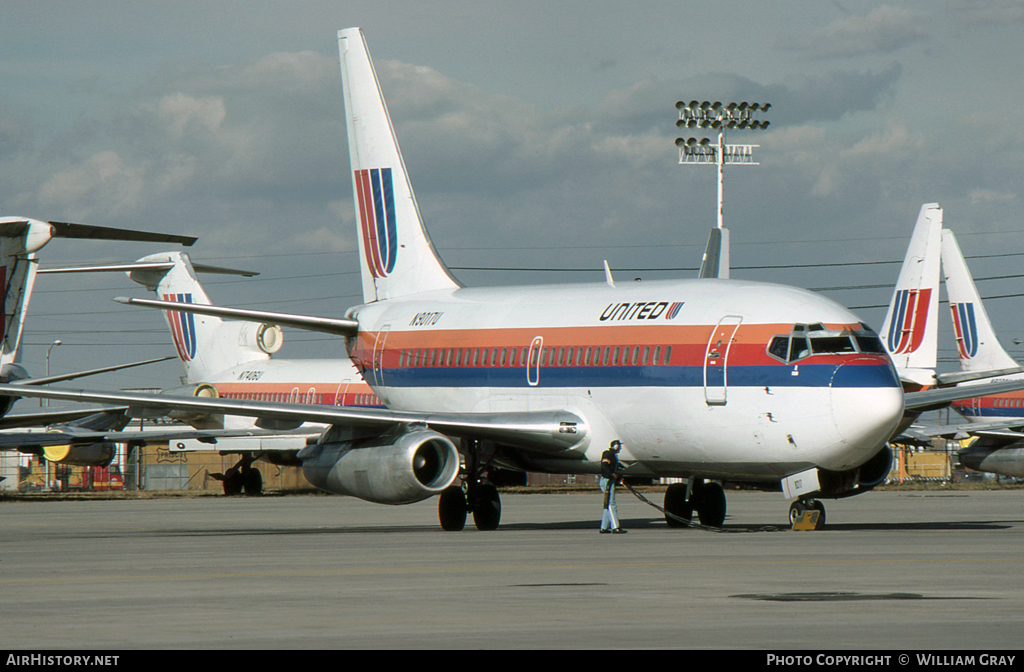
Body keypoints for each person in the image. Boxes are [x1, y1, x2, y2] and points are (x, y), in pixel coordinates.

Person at [599, 440, 627, 534]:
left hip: (610, 480)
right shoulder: (608, 454)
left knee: (607, 505)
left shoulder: (614, 456)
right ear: (615, 446)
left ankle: (604, 527)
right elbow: (604, 467)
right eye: (619, 446)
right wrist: (611, 475)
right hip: (607, 481)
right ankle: (615, 527)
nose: (620, 448)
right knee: (611, 503)